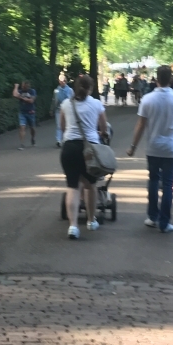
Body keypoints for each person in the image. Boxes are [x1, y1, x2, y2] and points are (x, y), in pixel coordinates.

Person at [126, 65, 173, 233]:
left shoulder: (148, 99)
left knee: (154, 181)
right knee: (168, 183)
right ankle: (165, 222)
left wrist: (133, 147)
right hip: (171, 148)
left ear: (156, 79)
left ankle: (152, 217)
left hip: (153, 147)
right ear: (171, 79)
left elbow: (141, 125)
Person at [59, 75, 109, 239]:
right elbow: (104, 127)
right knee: (91, 185)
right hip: (90, 150)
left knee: (73, 186)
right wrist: (101, 133)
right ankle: (90, 220)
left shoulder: (66, 104)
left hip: (70, 148)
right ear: (90, 88)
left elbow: (62, 126)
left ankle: (73, 226)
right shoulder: (96, 104)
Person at [50, 74, 74, 148]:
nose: (61, 82)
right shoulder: (56, 90)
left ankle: (66, 139)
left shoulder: (70, 90)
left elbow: (73, 100)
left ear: (65, 81)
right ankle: (59, 140)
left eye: (63, 81)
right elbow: (54, 100)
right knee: (59, 125)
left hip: (67, 110)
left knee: (67, 125)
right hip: (58, 110)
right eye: (60, 81)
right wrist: (51, 109)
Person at [13, 81, 37, 149]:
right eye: (22, 86)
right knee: (22, 127)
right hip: (22, 112)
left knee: (32, 128)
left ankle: (33, 138)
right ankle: (22, 144)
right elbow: (15, 94)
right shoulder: (21, 91)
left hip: (31, 112)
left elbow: (31, 101)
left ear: (27, 86)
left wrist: (21, 98)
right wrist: (16, 87)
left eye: (24, 86)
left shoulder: (32, 91)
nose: (22, 87)